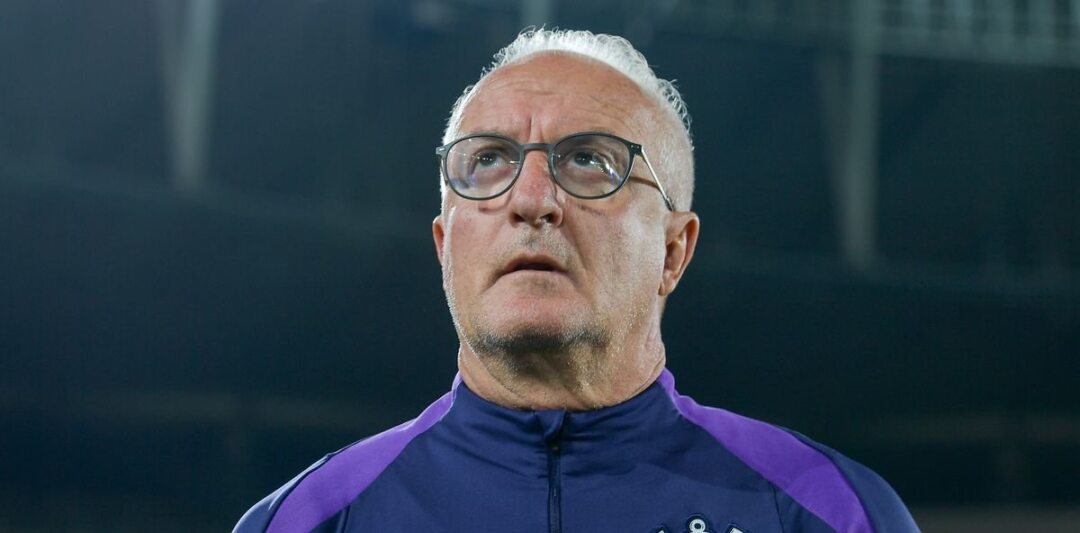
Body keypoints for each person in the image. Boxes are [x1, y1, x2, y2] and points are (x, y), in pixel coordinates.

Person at [234, 28, 919, 533]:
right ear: (445, 246)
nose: (531, 199)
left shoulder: (824, 511)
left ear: (673, 251)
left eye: (590, 160)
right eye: (489, 160)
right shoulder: (310, 519)